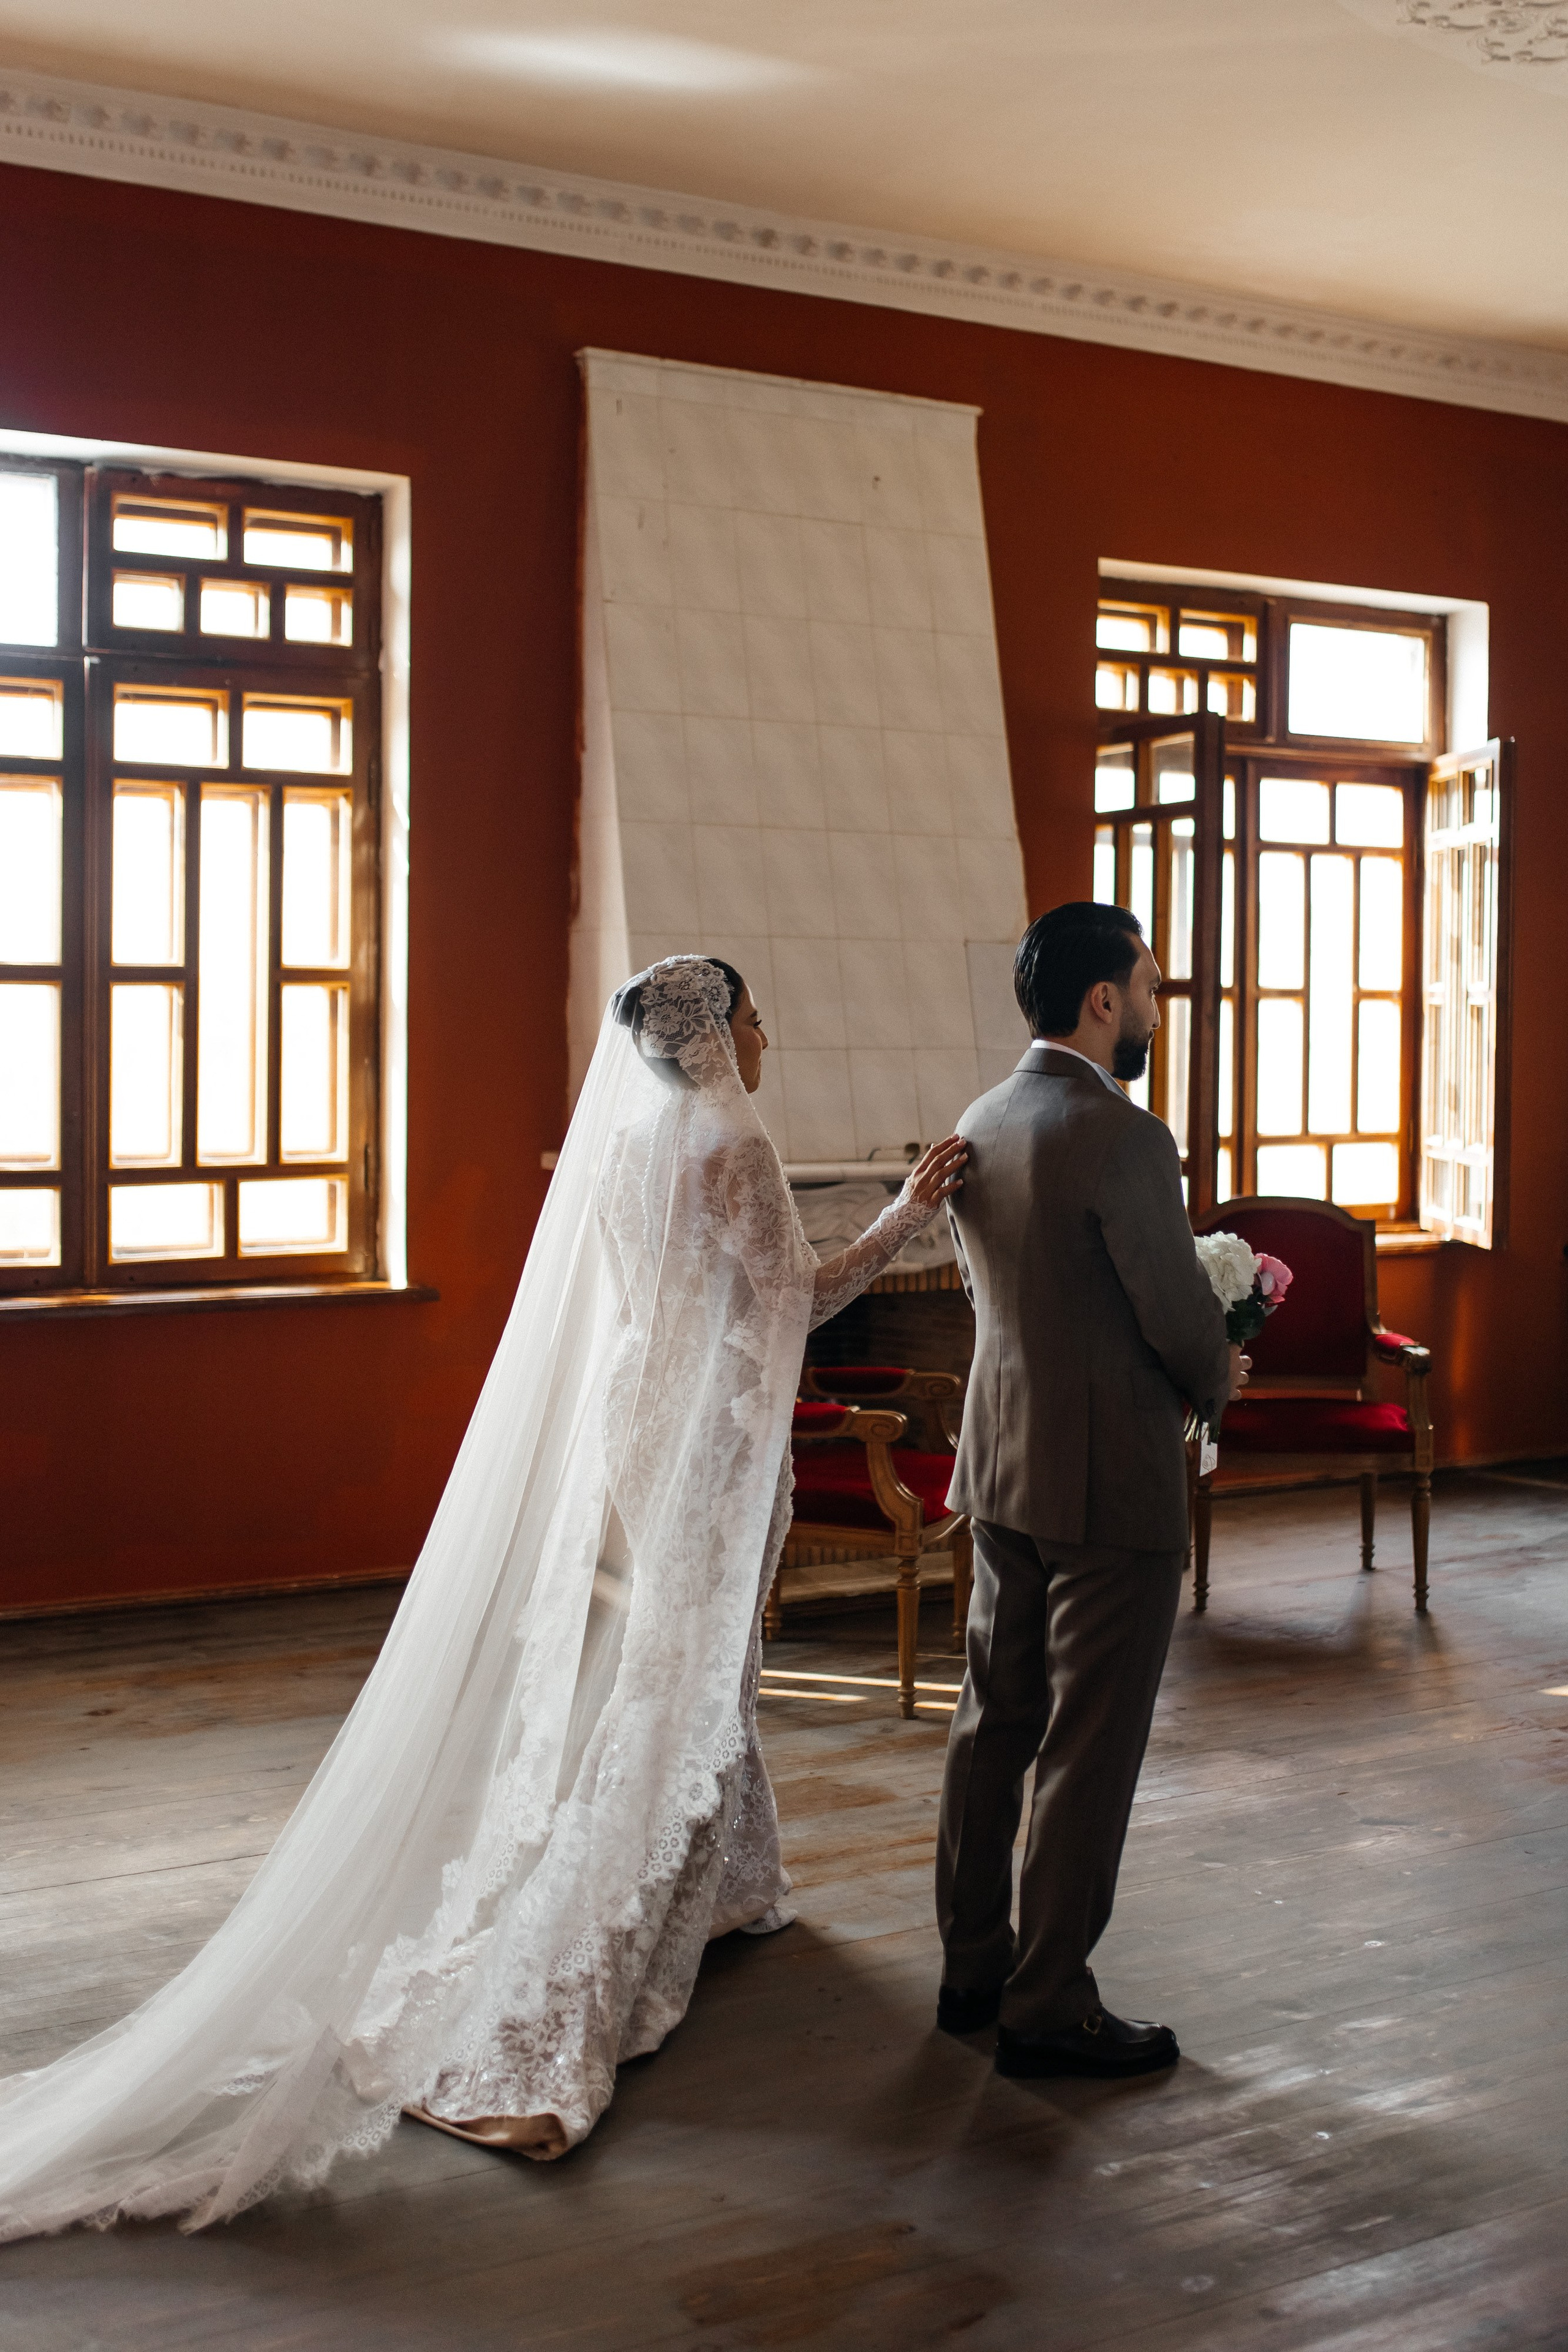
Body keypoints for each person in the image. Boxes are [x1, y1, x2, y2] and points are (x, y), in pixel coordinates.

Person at [0, 956, 965, 2235]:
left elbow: (662, 1294)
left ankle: (730, 1883)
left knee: (685, 1662)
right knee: (683, 1671)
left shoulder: (640, 1135)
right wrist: (903, 1214)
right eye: (747, 1014)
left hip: (644, 1416)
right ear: (713, 1039)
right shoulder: (728, 1136)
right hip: (707, 1439)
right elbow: (799, 1295)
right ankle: (572, 1971)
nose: (764, 1029)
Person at [937, 902, 1244, 2079]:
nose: (1157, 1010)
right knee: (1087, 1744)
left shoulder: (984, 1117)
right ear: (1103, 1000)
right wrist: (1222, 1374)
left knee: (992, 1720)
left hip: (1002, 1464)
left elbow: (1006, 1302)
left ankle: (974, 1968)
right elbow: (1174, 1315)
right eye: (1151, 989)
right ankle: (1048, 2006)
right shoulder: (1123, 1136)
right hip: (1110, 1478)